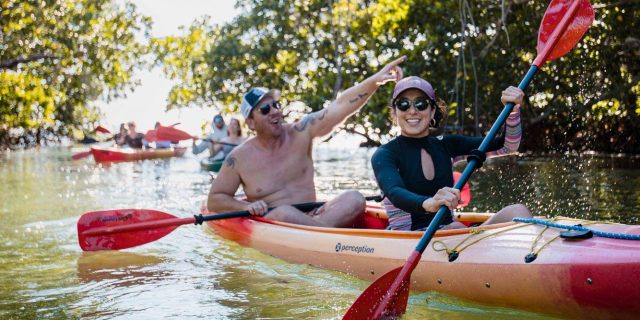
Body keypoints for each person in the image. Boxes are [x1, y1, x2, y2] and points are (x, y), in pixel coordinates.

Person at [207, 56, 406, 227]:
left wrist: (375, 81)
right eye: (265, 109)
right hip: (275, 221)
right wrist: (245, 206)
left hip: (315, 214)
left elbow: (339, 106)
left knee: (354, 198)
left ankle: (323, 233)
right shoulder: (239, 158)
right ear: (250, 122)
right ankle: (330, 237)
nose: (275, 111)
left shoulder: (301, 131)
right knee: (285, 212)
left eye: (275, 105)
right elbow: (215, 199)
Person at [371, 76, 533, 231]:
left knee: (518, 211)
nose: (412, 111)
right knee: (456, 227)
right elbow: (394, 192)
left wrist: (513, 112)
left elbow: (508, 146)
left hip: (452, 234)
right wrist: (428, 203)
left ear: (433, 110)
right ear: (394, 113)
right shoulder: (385, 154)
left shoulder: (447, 145)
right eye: (403, 104)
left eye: (421, 104)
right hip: (408, 239)